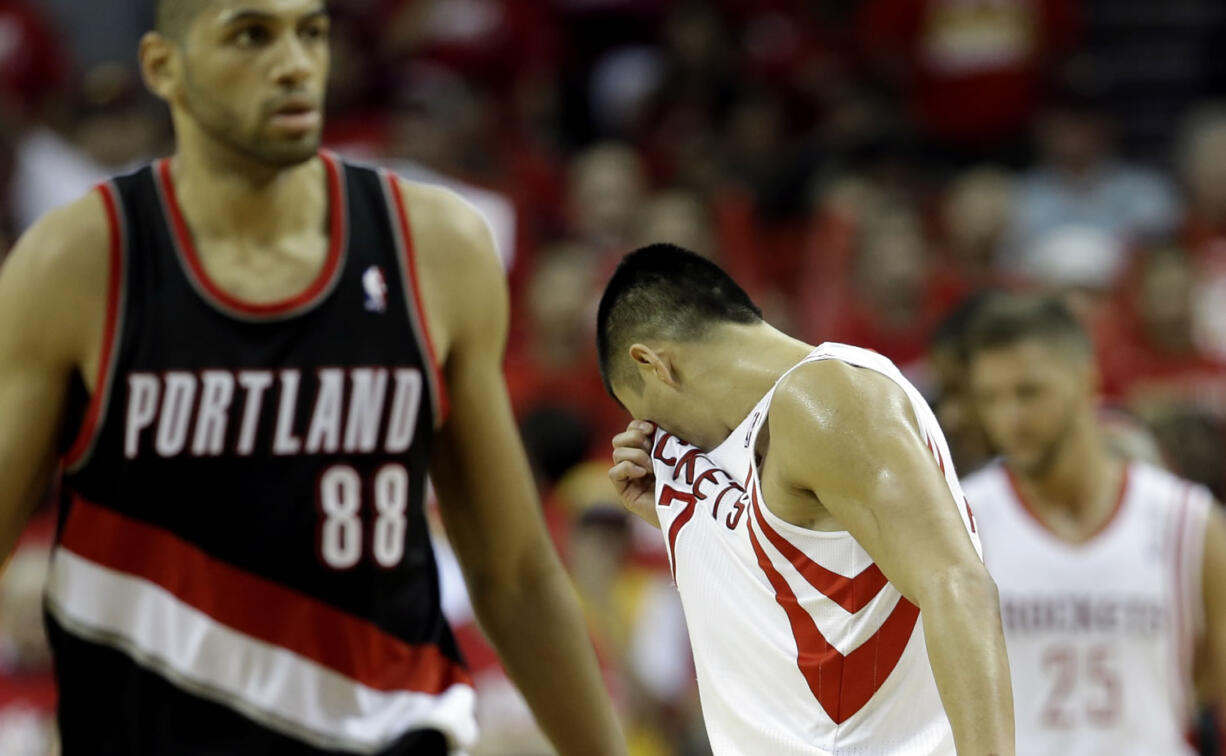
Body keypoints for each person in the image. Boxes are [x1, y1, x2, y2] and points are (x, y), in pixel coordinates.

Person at [0, 1, 625, 754]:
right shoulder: (77, 263)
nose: (295, 62)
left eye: (312, 32)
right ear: (165, 68)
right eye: (252, 35)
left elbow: (516, 575)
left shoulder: (435, 247)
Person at [602, 244, 1014, 755]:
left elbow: (959, 584)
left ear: (654, 364)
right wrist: (675, 517)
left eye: (645, 412)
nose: (658, 435)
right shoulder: (792, 426)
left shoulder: (824, 398)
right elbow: (812, 583)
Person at [959, 293, 1226, 755]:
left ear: (1087, 381)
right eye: (991, 399)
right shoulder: (963, 521)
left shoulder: (1188, 521)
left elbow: (1211, 683)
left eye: (1029, 392)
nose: (1010, 418)